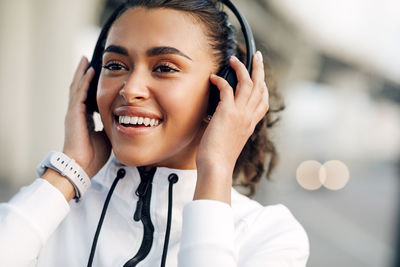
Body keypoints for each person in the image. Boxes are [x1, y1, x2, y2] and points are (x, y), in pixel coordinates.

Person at [0, 0, 309, 266]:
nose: (130, 89)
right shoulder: (50, 207)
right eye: (116, 65)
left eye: (165, 68)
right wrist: (68, 168)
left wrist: (215, 171)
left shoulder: (269, 235)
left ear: (222, 93)